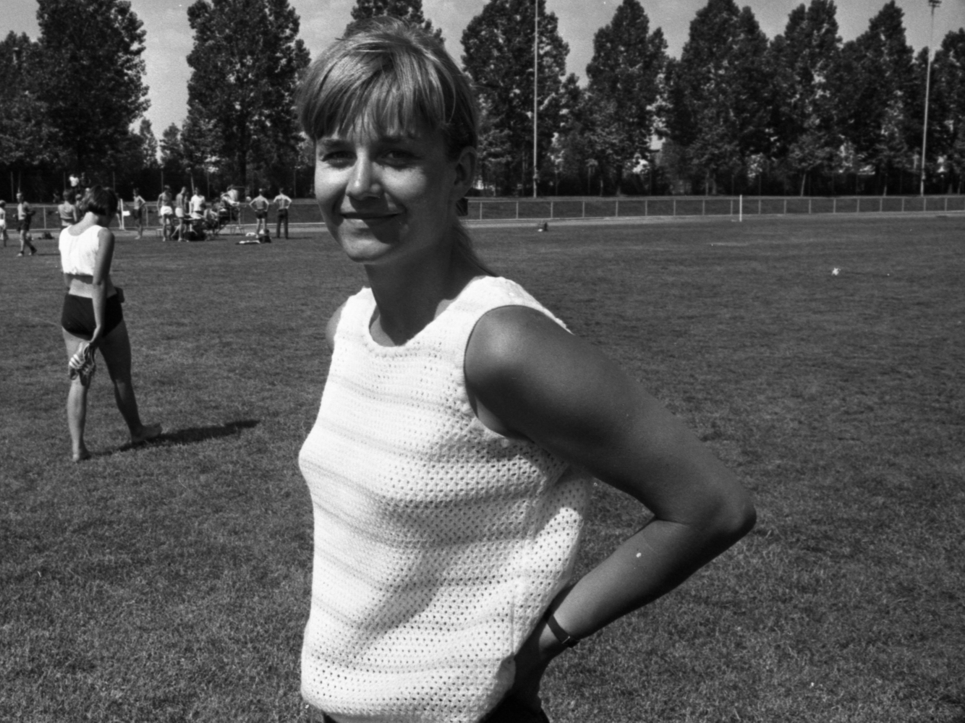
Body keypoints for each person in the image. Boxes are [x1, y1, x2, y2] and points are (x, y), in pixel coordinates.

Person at [293, 18, 756, 723]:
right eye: (336, 154)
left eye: (395, 155)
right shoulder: (349, 326)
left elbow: (711, 505)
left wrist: (540, 643)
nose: (359, 183)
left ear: (460, 172)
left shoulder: (499, 343)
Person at [58, 186, 161, 462]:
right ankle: (137, 431)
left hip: (72, 308)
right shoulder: (103, 234)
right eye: (114, 214)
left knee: (78, 380)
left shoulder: (65, 233)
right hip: (101, 310)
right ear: (107, 210)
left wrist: (114, 290)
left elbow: (69, 278)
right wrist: (99, 325)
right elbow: (99, 282)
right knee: (120, 376)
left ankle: (78, 448)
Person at [15, 192, 37, 256]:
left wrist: (27, 214)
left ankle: (21, 252)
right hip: (20, 222)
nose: (17, 197)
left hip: (25, 221)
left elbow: (33, 211)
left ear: (22, 197)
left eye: (19, 196)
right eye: (17, 196)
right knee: (22, 237)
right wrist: (16, 216)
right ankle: (33, 249)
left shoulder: (26, 204)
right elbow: (20, 213)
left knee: (22, 236)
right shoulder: (19, 205)